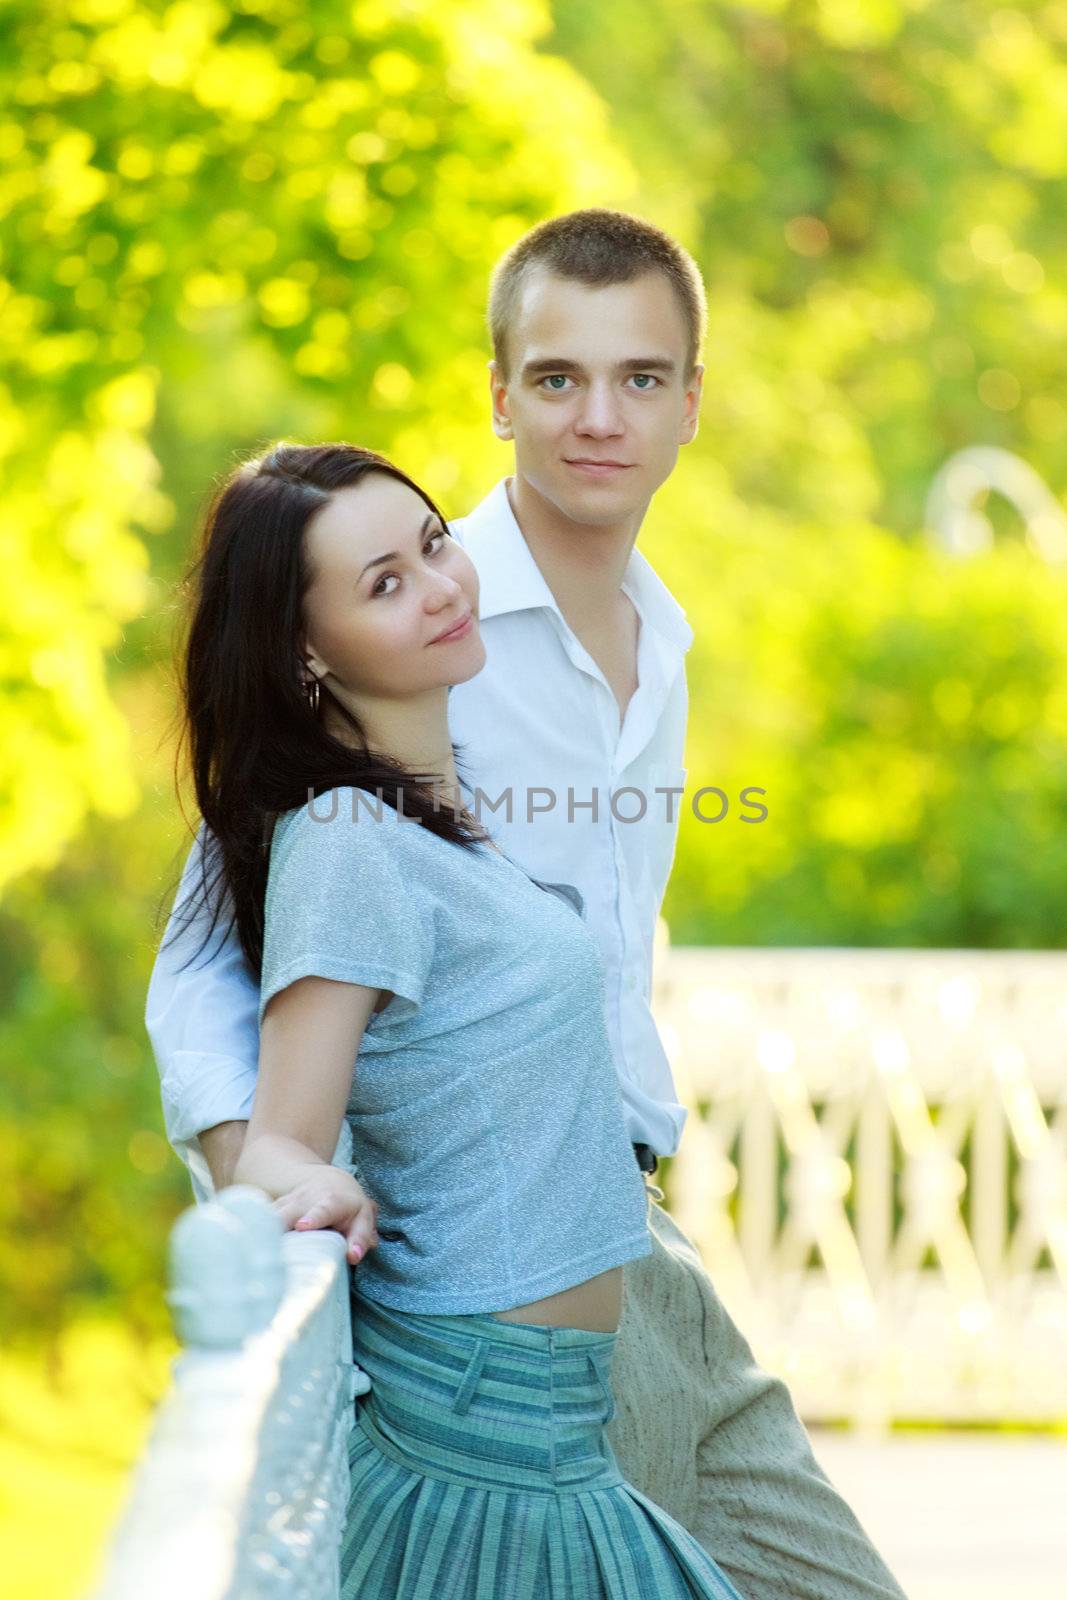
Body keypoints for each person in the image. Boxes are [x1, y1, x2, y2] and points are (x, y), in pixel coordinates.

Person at [148, 208, 906, 1600]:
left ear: (692, 400)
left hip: (640, 1246)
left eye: (640, 378)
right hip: (500, 1300)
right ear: (498, 394)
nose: (595, 420)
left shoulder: (659, 642)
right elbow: (206, 968)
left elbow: (597, 952)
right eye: (555, 378)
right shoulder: (404, 640)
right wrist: (265, 1169)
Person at [169, 437, 745, 1597]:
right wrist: (292, 1180)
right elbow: (283, 1128)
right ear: (302, 656)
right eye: (383, 583)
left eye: (432, 545)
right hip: (486, 1425)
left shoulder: (442, 828)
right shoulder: (344, 842)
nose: (440, 586)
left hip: (555, 1426)